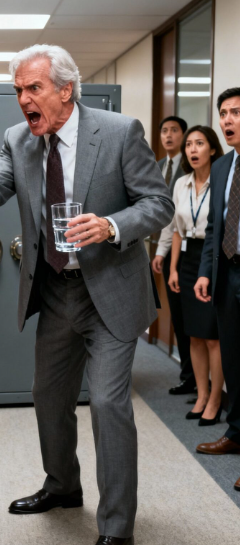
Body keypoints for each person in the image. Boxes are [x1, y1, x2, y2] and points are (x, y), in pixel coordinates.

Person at [0, 45, 174, 545]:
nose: (23, 98)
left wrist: (111, 225)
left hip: (110, 289)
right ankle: (63, 485)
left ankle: (116, 526)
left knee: (107, 404)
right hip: (56, 290)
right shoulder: (18, 138)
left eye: (33, 88)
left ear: (66, 90)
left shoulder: (119, 132)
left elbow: (158, 203)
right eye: (18, 90)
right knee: (48, 397)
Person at [194, 88, 240, 494]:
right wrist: (206, 272)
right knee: (234, 360)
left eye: (236, 112)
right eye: (223, 113)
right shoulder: (223, 166)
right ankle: (237, 432)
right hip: (227, 274)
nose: (227, 120)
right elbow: (214, 226)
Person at [167, 126, 224, 424]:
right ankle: (201, 395)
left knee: (212, 336)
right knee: (194, 335)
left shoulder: (223, 181)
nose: (192, 149)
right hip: (188, 259)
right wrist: (173, 268)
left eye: (199, 143)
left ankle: (215, 398)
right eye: (189, 144)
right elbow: (177, 230)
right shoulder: (181, 184)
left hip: (212, 256)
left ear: (212, 149)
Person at [152, 116, 195, 396]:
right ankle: (188, 375)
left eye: (174, 131)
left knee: (194, 319)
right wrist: (160, 251)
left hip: (193, 250)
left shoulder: (191, 168)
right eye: (164, 131)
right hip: (168, 248)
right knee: (178, 315)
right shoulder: (157, 167)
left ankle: (198, 377)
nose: (168, 135)